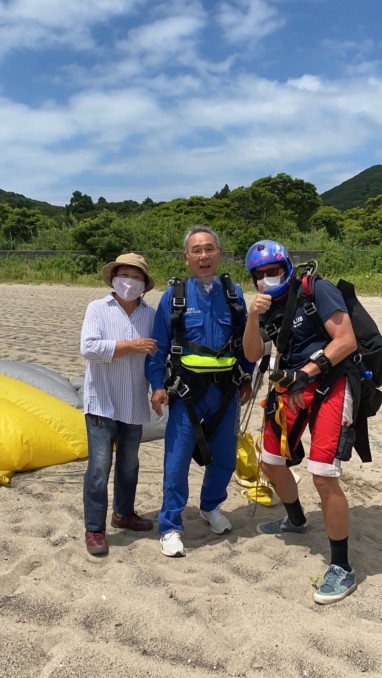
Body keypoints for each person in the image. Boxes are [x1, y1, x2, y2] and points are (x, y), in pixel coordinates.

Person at [243, 239, 359, 604]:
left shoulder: (315, 290)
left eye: (273, 270)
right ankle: (296, 520)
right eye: (260, 275)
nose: (267, 278)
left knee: (323, 474)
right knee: (271, 461)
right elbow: (252, 353)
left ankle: (342, 566)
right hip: (290, 387)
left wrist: (308, 373)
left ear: (287, 266)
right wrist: (253, 317)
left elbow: (346, 340)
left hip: (330, 384)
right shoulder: (268, 307)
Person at [146, 226, 254, 558]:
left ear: (219, 254)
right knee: (176, 462)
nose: (203, 256)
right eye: (197, 250)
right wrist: (157, 386)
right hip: (185, 393)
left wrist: (247, 377)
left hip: (226, 393)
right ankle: (170, 526)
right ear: (186, 258)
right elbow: (157, 348)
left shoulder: (233, 295)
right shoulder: (174, 297)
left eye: (209, 249)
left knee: (224, 459)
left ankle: (210, 506)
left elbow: (245, 344)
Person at [81, 253, 158, 557]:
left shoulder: (150, 315)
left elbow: (157, 355)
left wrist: (159, 389)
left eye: (136, 277)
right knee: (99, 467)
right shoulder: (98, 308)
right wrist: (130, 346)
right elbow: (89, 348)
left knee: (129, 465)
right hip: (102, 401)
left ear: (144, 284)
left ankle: (124, 514)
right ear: (113, 278)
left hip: (134, 402)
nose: (129, 281)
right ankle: (95, 528)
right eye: (124, 274)